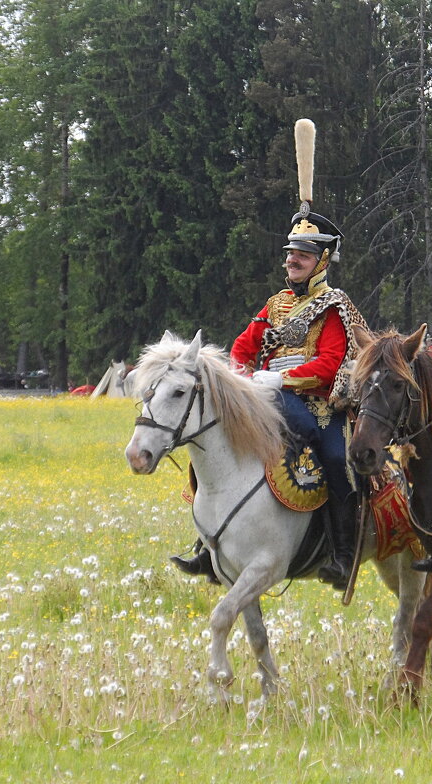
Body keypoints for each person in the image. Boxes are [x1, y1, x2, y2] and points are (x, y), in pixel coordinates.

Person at [172, 207, 366, 591]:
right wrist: (241, 378)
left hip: (320, 404)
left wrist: (280, 378)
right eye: (291, 253)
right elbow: (244, 346)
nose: (292, 260)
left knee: (336, 459)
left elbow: (328, 365)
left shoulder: (334, 305)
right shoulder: (274, 304)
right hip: (264, 398)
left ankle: (343, 555)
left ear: (322, 261)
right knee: (210, 446)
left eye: (303, 255)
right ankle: (207, 546)